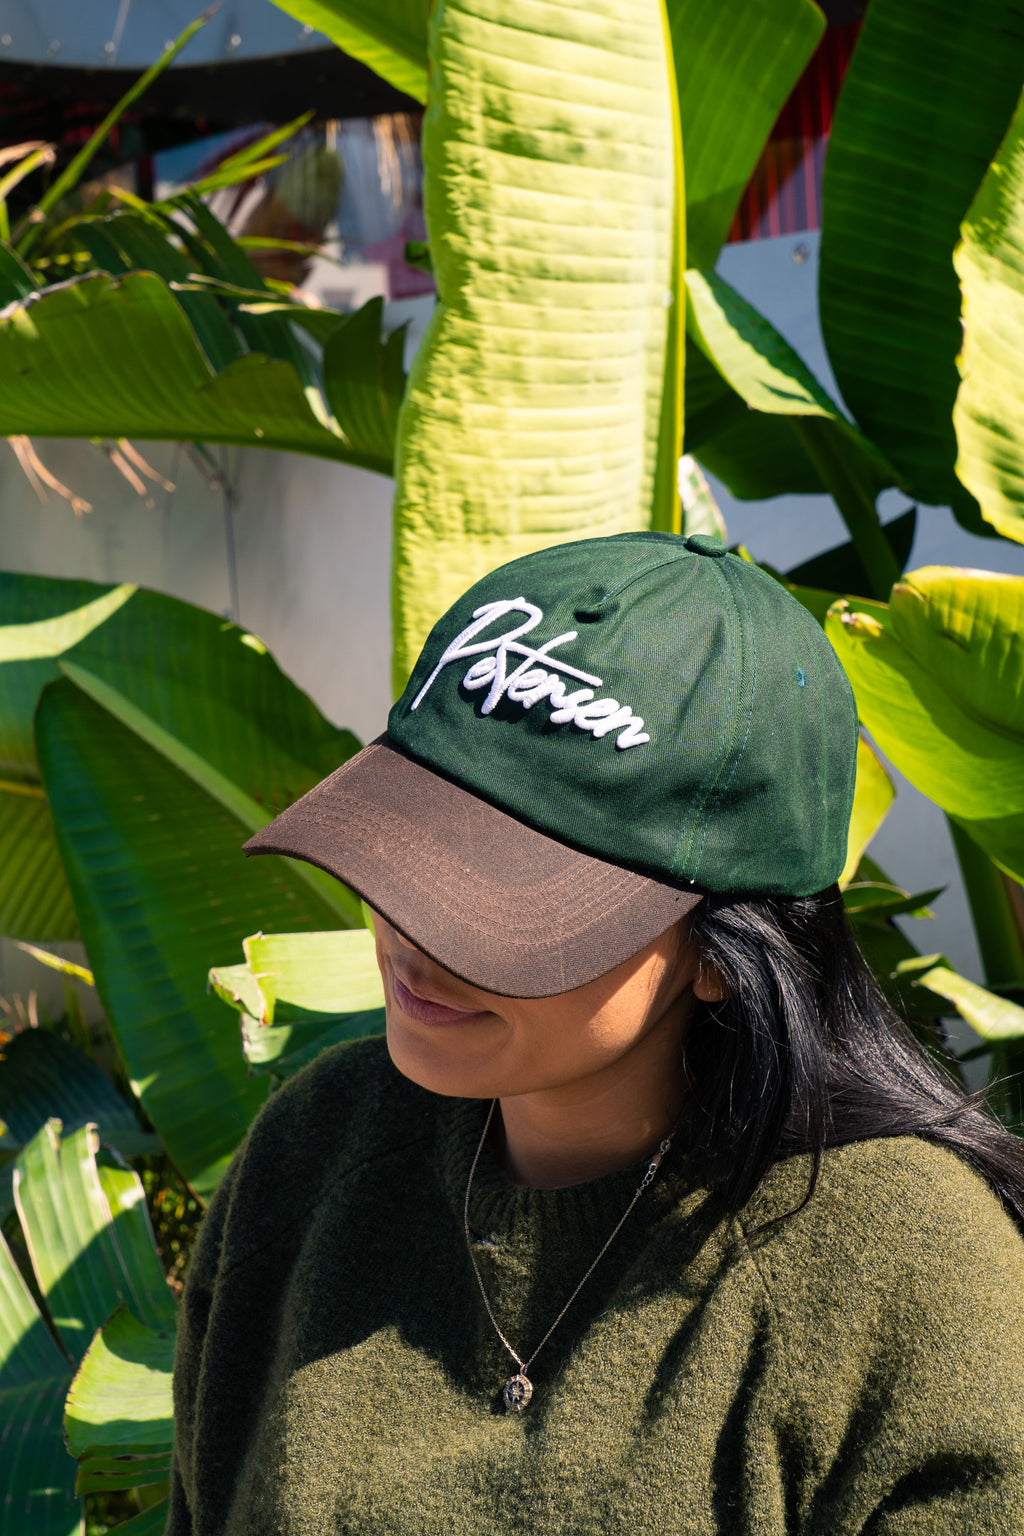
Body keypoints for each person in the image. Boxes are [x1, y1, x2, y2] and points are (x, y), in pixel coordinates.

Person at [167, 531, 1024, 1535]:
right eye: (407, 845)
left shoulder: (904, 1276)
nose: (412, 936)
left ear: (723, 953)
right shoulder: (315, 1155)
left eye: (504, 893)